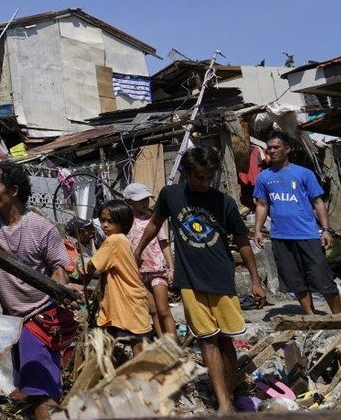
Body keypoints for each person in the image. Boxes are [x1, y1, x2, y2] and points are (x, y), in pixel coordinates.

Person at [134, 146, 266, 414]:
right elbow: (155, 224)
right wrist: (137, 250)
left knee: (227, 340)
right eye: (199, 177)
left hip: (221, 278)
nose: (204, 183)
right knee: (207, 340)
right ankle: (224, 402)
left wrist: (255, 280)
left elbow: (242, 242)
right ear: (185, 173)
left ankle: (230, 389)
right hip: (189, 281)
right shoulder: (170, 195)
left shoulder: (223, 202)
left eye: (208, 177)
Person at [0, 161, 78, 420]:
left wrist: (64, 290)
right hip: (15, 320)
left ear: (13, 190)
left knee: (41, 393)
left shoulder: (41, 228)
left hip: (39, 317)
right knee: (34, 387)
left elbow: (59, 271)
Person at [252, 131, 340, 315]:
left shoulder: (303, 173)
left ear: (288, 149)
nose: (272, 150)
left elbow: (318, 202)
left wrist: (325, 229)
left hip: (307, 234)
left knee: (322, 277)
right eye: (269, 148)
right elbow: (261, 204)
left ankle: (338, 316)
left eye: (276, 147)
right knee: (295, 280)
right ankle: (312, 317)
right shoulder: (263, 177)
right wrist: (257, 230)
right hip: (280, 237)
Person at [80, 199, 152, 357]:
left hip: (129, 302)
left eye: (110, 221)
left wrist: (81, 273)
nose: (105, 225)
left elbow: (92, 265)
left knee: (138, 350)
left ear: (123, 223)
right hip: (129, 301)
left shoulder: (114, 240)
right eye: (103, 220)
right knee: (127, 344)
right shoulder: (122, 240)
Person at [123, 182, 177, 335]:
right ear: (129, 201)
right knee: (152, 309)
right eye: (141, 200)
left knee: (163, 309)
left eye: (147, 199)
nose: (145, 202)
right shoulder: (125, 223)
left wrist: (171, 267)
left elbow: (164, 243)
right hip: (138, 272)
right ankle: (162, 343)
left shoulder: (154, 219)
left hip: (157, 269)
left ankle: (173, 344)